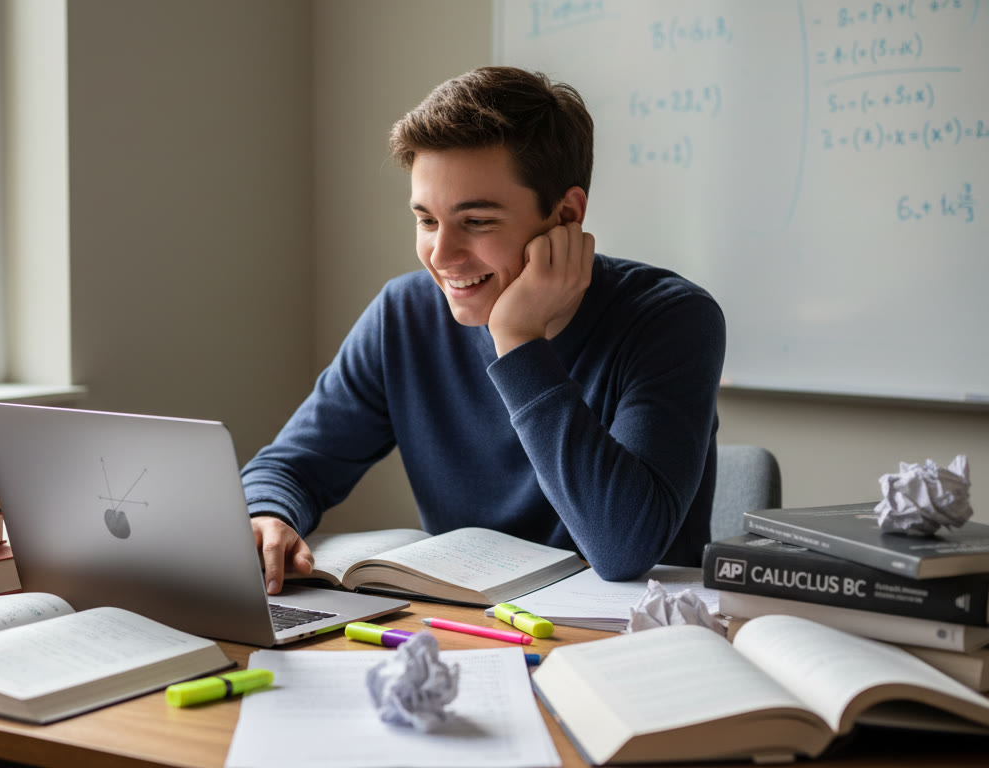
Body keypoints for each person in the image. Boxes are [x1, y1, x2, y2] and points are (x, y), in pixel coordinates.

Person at [242, 66, 726, 594]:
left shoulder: (671, 319)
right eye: (427, 220)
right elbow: (291, 465)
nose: (441, 256)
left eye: (476, 221)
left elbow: (622, 549)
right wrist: (268, 514)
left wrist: (518, 341)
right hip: (463, 637)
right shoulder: (402, 316)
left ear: (566, 214)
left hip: (620, 647)